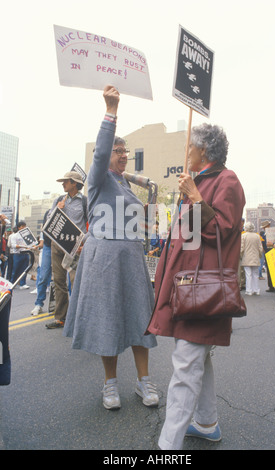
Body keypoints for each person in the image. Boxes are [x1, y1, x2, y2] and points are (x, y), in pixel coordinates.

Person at [147, 123, 245, 450]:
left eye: (189, 147)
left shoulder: (226, 180)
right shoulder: (199, 181)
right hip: (189, 288)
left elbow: (222, 231)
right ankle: (206, 422)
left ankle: (167, 448)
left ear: (203, 150)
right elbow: (188, 239)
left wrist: (196, 197)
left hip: (202, 292)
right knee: (196, 357)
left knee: (186, 364)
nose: (185, 152)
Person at [63, 85, 158, 410]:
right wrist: (111, 111)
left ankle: (144, 382)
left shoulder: (124, 183)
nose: (122, 155)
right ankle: (110, 384)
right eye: (118, 151)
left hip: (130, 255)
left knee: (138, 318)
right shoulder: (98, 177)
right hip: (103, 256)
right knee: (108, 319)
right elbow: (101, 153)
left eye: (125, 152)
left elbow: (143, 221)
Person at [45, 171, 88, 329]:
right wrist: (57, 209)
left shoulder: (84, 202)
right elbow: (49, 221)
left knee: (76, 281)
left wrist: (82, 243)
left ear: (74, 183)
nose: (63, 184)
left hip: (74, 247)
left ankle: (79, 318)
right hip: (57, 244)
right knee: (58, 281)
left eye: (66, 181)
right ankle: (60, 318)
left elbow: (92, 224)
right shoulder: (58, 200)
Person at [31, 210, 52, 315]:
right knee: (43, 277)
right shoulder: (48, 214)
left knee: (64, 279)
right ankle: (38, 304)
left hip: (62, 248)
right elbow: (42, 243)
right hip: (48, 248)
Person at [240, 222, 263, 295]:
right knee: (255, 274)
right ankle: (256, 290)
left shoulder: (243, 236)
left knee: (248, 275)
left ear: (246, 228)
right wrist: (259, 255)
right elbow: (260, 248)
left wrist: (241, 255)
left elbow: (241, 248)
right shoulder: (257, 236)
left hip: (246, 258)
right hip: (255, 258)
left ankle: (249, 290)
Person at [261, 220, 275, 294]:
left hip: (274, 252)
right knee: (269, 271)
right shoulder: (264, 234)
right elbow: (263, 244)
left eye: (265, 227)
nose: (264, 228)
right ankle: (271, 287)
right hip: (267, 253)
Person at [10, 221, 30, 289]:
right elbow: (13, 245)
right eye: (22, 226)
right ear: (18, 228)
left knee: (25, 269)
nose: (24, 228)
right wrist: (23, 246)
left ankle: (23, 283)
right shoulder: (14, 236)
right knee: (16, 269)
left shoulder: (27, 235)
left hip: (26, 253)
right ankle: (12, 283)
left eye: (25, 226)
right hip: (18, 254)